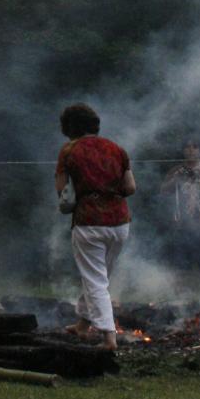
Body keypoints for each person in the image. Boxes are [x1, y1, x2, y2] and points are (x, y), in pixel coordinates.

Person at [55, 102, 136, 352]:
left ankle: (108, 338)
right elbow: (130, 187)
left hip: (89, 222)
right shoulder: (117, 149)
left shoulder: (69, 151)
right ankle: (82, 324)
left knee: (95, 280)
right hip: (120, 224)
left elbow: (62, 191)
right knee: (99, 277)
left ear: (69, 128)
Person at [161, 140, 200, 279]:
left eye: (195, 147)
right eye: (187, 147)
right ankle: (183, 297)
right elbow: (163, 191)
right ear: (183, 151)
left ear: (199, 151)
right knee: (181, 268)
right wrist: (175, 179)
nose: (191, 150)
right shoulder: (176, 170)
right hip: (182, 225)